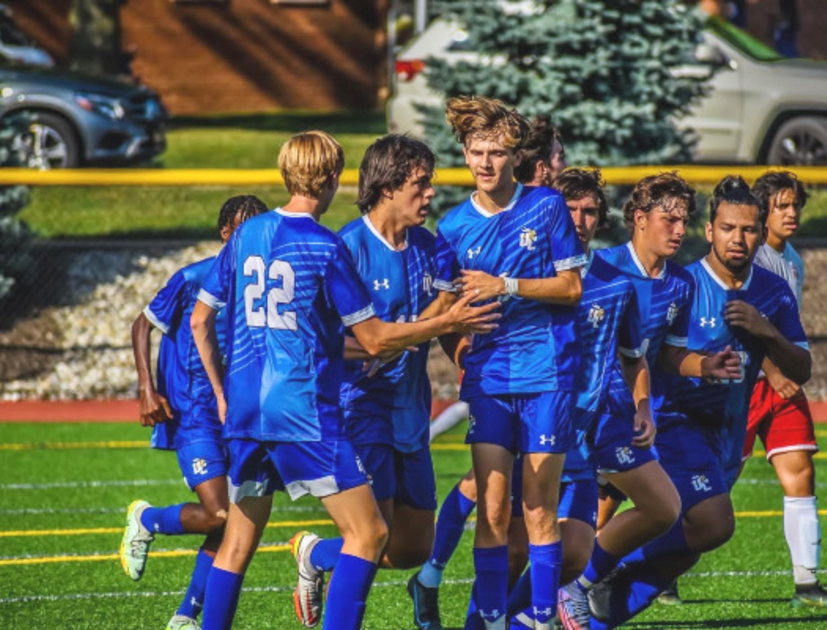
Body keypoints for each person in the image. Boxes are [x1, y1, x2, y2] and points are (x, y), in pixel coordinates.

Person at [189, 131, 500, 630]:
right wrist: (447, 322)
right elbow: (373, 340)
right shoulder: (328, 246)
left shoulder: (247, 234)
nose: (429, 192)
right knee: (369, 533)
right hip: (304, 410)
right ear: (334, 177)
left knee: (239, 541)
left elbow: (201, 320)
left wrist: (223, 394)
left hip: (247, 412)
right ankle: (318, 566)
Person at [584, 176, 813, 628]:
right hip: (674, 421)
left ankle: (593, 617)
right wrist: (702, 366)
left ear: (761, 233)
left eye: (748, 229)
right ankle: (589, 571)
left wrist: (766, 330)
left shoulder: (773, 291)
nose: (737, 239)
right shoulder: (684, 284)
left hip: (726, 432)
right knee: (712, 523)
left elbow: (801, 368)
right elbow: (653, 355)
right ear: (709, 231)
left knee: (691, 545)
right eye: (727, 228)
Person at [408, 113, 571, 630]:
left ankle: (543, 620)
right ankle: (494, 622)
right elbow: (444, 313)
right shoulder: (452, 228)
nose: (485, 163)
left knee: (539, 510)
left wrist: (507, 285)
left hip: (545, 377)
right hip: (490, 382)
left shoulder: (547, 206)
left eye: (496, 152)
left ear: (515, 155)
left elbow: (571, 288)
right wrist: (460, 352)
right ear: (464, 154)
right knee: (494, 509)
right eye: (477, 152)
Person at [286, 134, 447, 626]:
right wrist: (376, 345)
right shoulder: (346, 248)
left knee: (413, 547)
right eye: (421, 183)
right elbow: (319, 337)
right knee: (371, 534)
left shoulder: (430, 245)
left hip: (411, 409)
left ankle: (315, 553)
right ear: (388, 187)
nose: (431, 193)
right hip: (360, 405)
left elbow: (445, 313)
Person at [122, 194, 267, 630]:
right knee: (219, 512)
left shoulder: (260, 288)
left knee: (231, 520)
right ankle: (146, 518)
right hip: (194, 414)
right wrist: (147, 388)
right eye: (242, 230)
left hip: (239, 417)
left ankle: (186, 616)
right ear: (225, 233)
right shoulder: (193, 278)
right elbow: (142, 324)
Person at [744, 170, 827, 609]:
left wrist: (785, 369)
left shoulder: (792, 260)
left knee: (801, 471)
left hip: (781, 385)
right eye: (782, 206)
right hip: (744, 384)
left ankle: (807, 585)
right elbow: (740, 326)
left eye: (796, 205)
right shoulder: (748, 258)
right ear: (762, 212)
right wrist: (771, 372)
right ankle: (664, 573)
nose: (791, 213)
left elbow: (784, 330)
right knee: (714, 484)